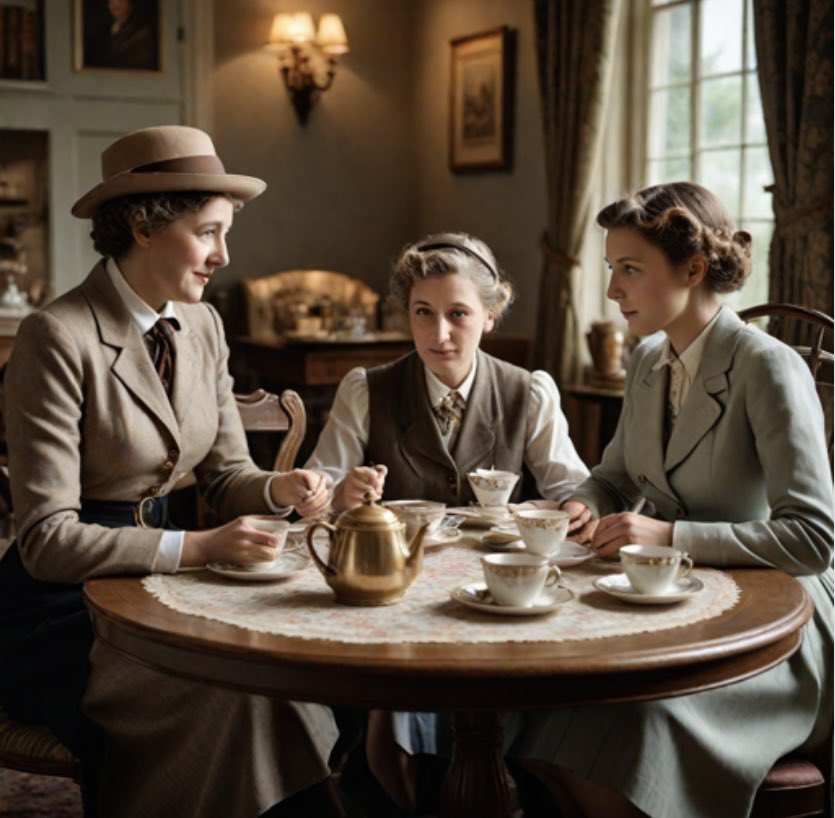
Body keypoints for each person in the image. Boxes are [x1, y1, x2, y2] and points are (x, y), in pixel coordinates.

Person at [0, 126, 344, 818]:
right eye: (207, 232)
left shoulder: (203, 325)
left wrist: (279, 488)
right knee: (229, 694)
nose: (224, 255)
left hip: (169, 585)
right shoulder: (56, 336)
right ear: (142, 225)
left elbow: (224, 476)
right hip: (62, 610)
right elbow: (45, 540)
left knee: (284, 673)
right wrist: (198, 548)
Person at [504, 181, 833, 818]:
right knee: (535, 704)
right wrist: (583, 505)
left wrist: (670, 538)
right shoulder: (650, 359)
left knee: (626, 728)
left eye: (629, 269)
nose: (611, 290)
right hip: (668, 605)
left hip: (777, 624)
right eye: (611, 269)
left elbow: (813, 539)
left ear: (694, 268)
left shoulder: (768, 367)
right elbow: (613, 476)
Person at [305, 231, 591, 811]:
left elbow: (574, 490)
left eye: (458, 314)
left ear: (491, 314)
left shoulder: (528, 392)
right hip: (400, 603)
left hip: (497, 596)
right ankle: (405, 792)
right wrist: (341, 494)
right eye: (422, 313)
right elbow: (314, 494)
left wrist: (575, 508)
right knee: (398, 707)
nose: (439, 334)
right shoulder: (367, 389)